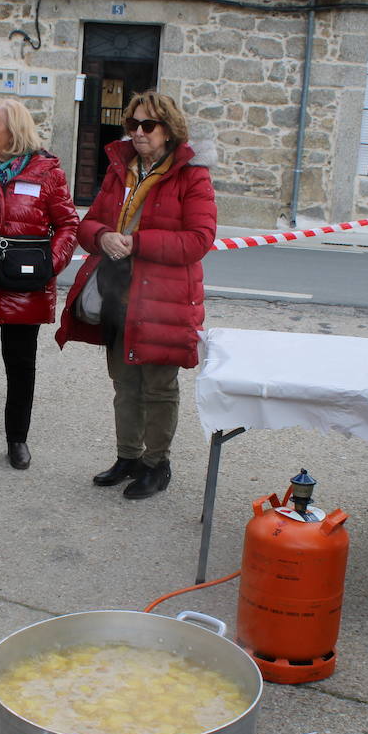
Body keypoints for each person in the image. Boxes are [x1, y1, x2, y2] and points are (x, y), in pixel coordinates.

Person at [56, 90, 216, 499]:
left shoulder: (191, 175)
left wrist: (137, 242)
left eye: (148, 125)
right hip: (119, 295)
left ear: (168, 130)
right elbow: (87, 224)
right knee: (123, 383)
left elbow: (199, 240)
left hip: (165, 302)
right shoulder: (120, 170)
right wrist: (105, 236)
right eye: (133, 125)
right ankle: (127, 457)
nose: (139, 133)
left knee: (158, 388)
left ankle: (155, 464)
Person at [0, 99, 79, 470]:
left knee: (20, 368)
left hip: (25, 290)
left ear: (14, 131)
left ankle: (17, 440)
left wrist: (48, 266)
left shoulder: (46, 173)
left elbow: (69, 225)